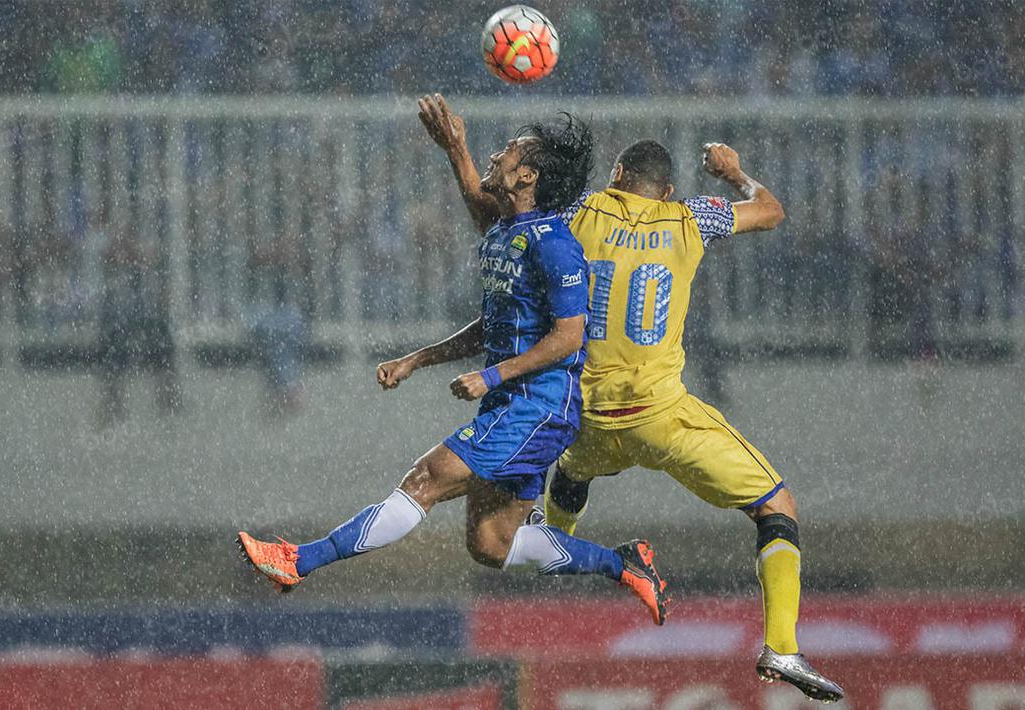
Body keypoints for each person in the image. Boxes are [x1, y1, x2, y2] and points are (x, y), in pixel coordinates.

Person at [418, 94, 843, 702]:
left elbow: (496, 216)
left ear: (616, 177)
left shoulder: (581, 212)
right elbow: (771, 210)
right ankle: (781, 647)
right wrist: (734, 172)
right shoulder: (690, 218)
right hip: (661, 416)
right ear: (665, 192)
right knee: (777, 506)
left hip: (582, 415)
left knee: (570, 472)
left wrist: (457, 152)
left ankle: (552, 542)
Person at [238, 111, 669, 626]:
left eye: (509, 150)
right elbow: (491, 318)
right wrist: (417, 359)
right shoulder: (509, 232)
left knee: (425, 479)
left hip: (540, 407)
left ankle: (298, 561)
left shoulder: (556, 245)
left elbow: (569, 336)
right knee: (491, 544)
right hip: (516, 404)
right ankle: (624, 564)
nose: (497, 154)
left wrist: (492, 376)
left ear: (527, 176)